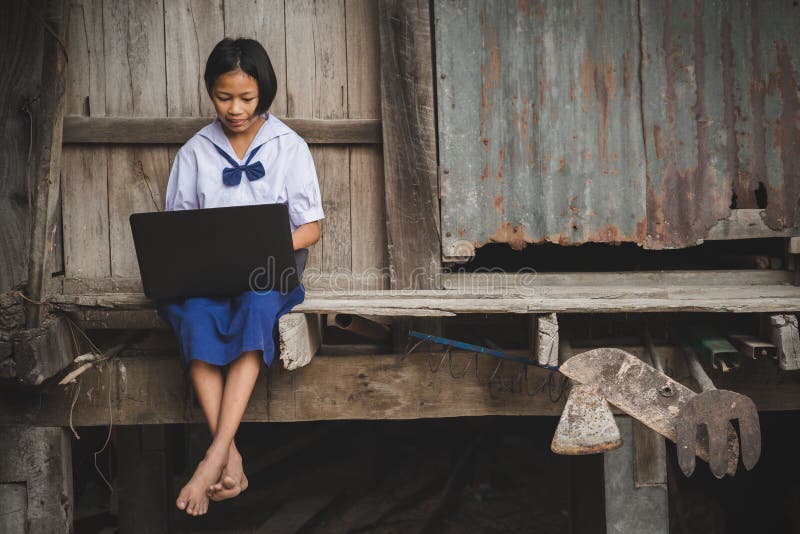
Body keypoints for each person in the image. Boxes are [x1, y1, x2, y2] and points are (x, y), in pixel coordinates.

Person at [156, 37, 324, 517]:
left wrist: (266, 247)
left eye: (246, 98)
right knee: (191, 315)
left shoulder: (288, 147)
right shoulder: (195, 151)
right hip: (208, 277)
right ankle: (230, 455)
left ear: (264, 93)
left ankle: (213, 455)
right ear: (211, 92)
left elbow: (310, 227)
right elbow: (176, 229)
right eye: (223, 97)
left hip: (269, 273)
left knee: (254, 310)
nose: (234, 109)